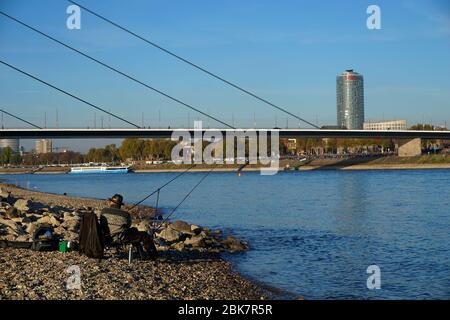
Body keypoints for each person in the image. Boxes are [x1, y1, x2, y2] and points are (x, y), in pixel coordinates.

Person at [100, 194, 157, 260]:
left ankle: (141, 254)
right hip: (121, 238)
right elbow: (127, 226)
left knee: (134, 231)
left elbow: (101, 224)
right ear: (120, 205)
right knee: (144, 235)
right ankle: (153, 256)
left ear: (111, 202)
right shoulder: (126, 214)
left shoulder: (104, 211)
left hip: (105, 237)